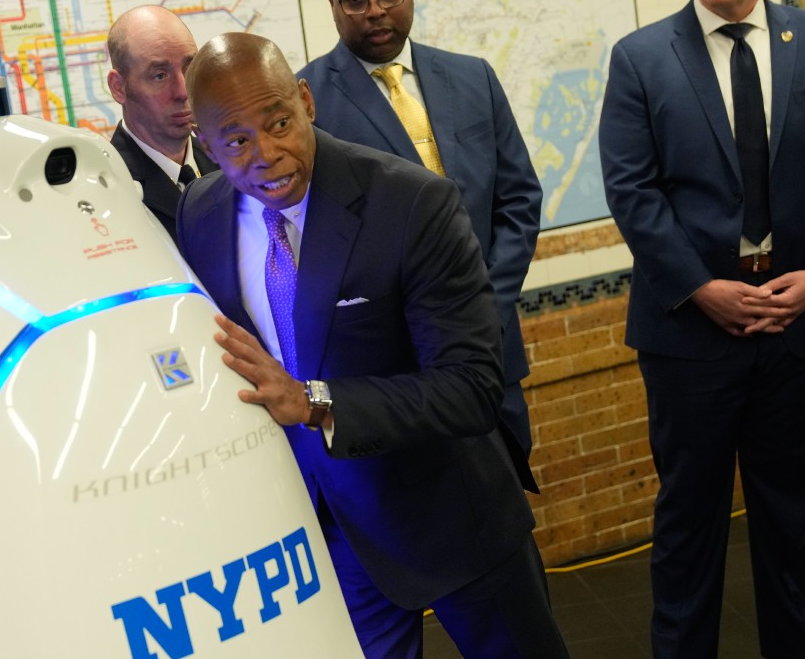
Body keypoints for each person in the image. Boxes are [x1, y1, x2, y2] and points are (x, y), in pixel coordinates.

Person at [176, 32, 568, 659]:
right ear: (205, 143)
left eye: (279, 122)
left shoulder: (412, 203)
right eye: (237, 140)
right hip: (328, 534)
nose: (267, 154)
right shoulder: (200, 212)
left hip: (450, 518)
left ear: (305, 101)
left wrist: (315, 402)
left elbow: (469, 387)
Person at [599, 0, 805, 658]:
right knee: (688, 528)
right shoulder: (641, 58)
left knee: (791, 522)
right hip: (692, 336)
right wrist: (699, 287)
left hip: (803, 326)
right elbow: (633, 191)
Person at [297, 0, 542, 460]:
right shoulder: (307, 105)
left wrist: (485, 305)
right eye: (355, 0)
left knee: (509, 514)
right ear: (332, 5)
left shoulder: (472, 77)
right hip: (393, 379)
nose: (375, 11)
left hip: (493, 352)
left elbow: (519, 201)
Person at [105, 5, 218, 245]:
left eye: (189, 68)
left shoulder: (228, 164)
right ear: (118, 87)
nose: (183, 90)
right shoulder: (105, 191)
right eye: (159, 75)